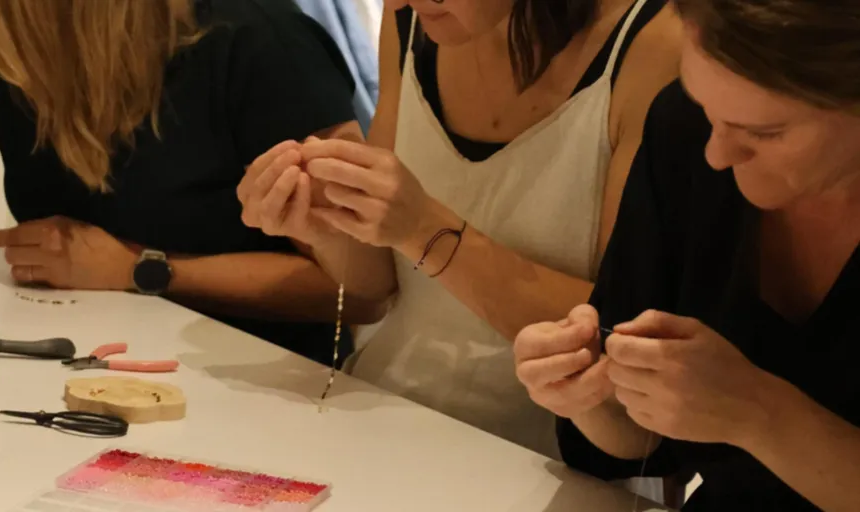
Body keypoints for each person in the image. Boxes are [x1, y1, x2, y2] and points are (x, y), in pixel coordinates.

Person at [238, 0, 681, 458]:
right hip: (383, 420)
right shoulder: (409, 18)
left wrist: (424, 228)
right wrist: (323, 224)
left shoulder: (657, 45)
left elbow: (622, 340)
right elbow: (377, 289)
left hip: (550, 464)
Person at [514, 0, 860, 510]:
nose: (717, 154)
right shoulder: (684, 130)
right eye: (703, 105)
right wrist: (588, 393)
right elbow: (637, 447)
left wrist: (760, 411)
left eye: (764, 132)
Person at [0, 0, 388, 366]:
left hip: (253, 386)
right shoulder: (8, 32)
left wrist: (139, 268)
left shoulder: (262, 44)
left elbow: (361, 290)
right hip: (77, 362)